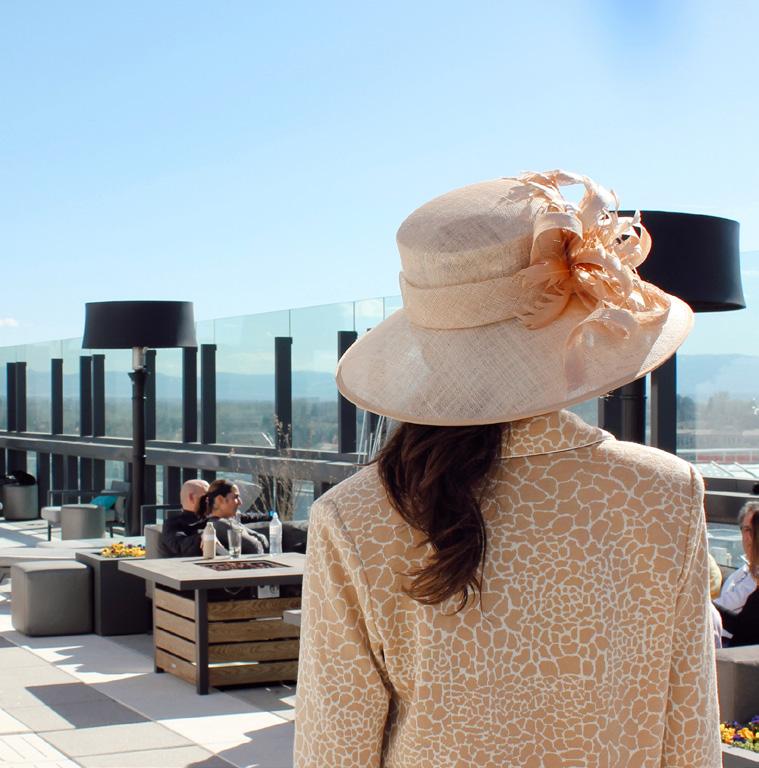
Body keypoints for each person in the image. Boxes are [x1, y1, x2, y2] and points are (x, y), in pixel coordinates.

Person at [294, 171, 720, 767]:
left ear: (428, 343)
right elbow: (690, 725)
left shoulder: (355, 515)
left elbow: (335, 744)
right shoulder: (665, 491)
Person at [715, 502, 759, 646]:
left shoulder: (754, 579)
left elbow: (731, 609)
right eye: (747, 529)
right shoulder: (743, 570)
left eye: (756, 530)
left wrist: (702, 603)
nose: (750, 536)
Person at [199, 479, 268, 554]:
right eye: (236, 497)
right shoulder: (220, 525)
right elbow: (255, 547)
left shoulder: (227, 522)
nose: (240, 502)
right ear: (220, 500)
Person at [158, 478, 209, 557]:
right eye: (206, 497)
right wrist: (207, 535)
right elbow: (180, 547)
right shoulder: (173, 524)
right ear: (192, 498)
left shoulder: (215, 520)